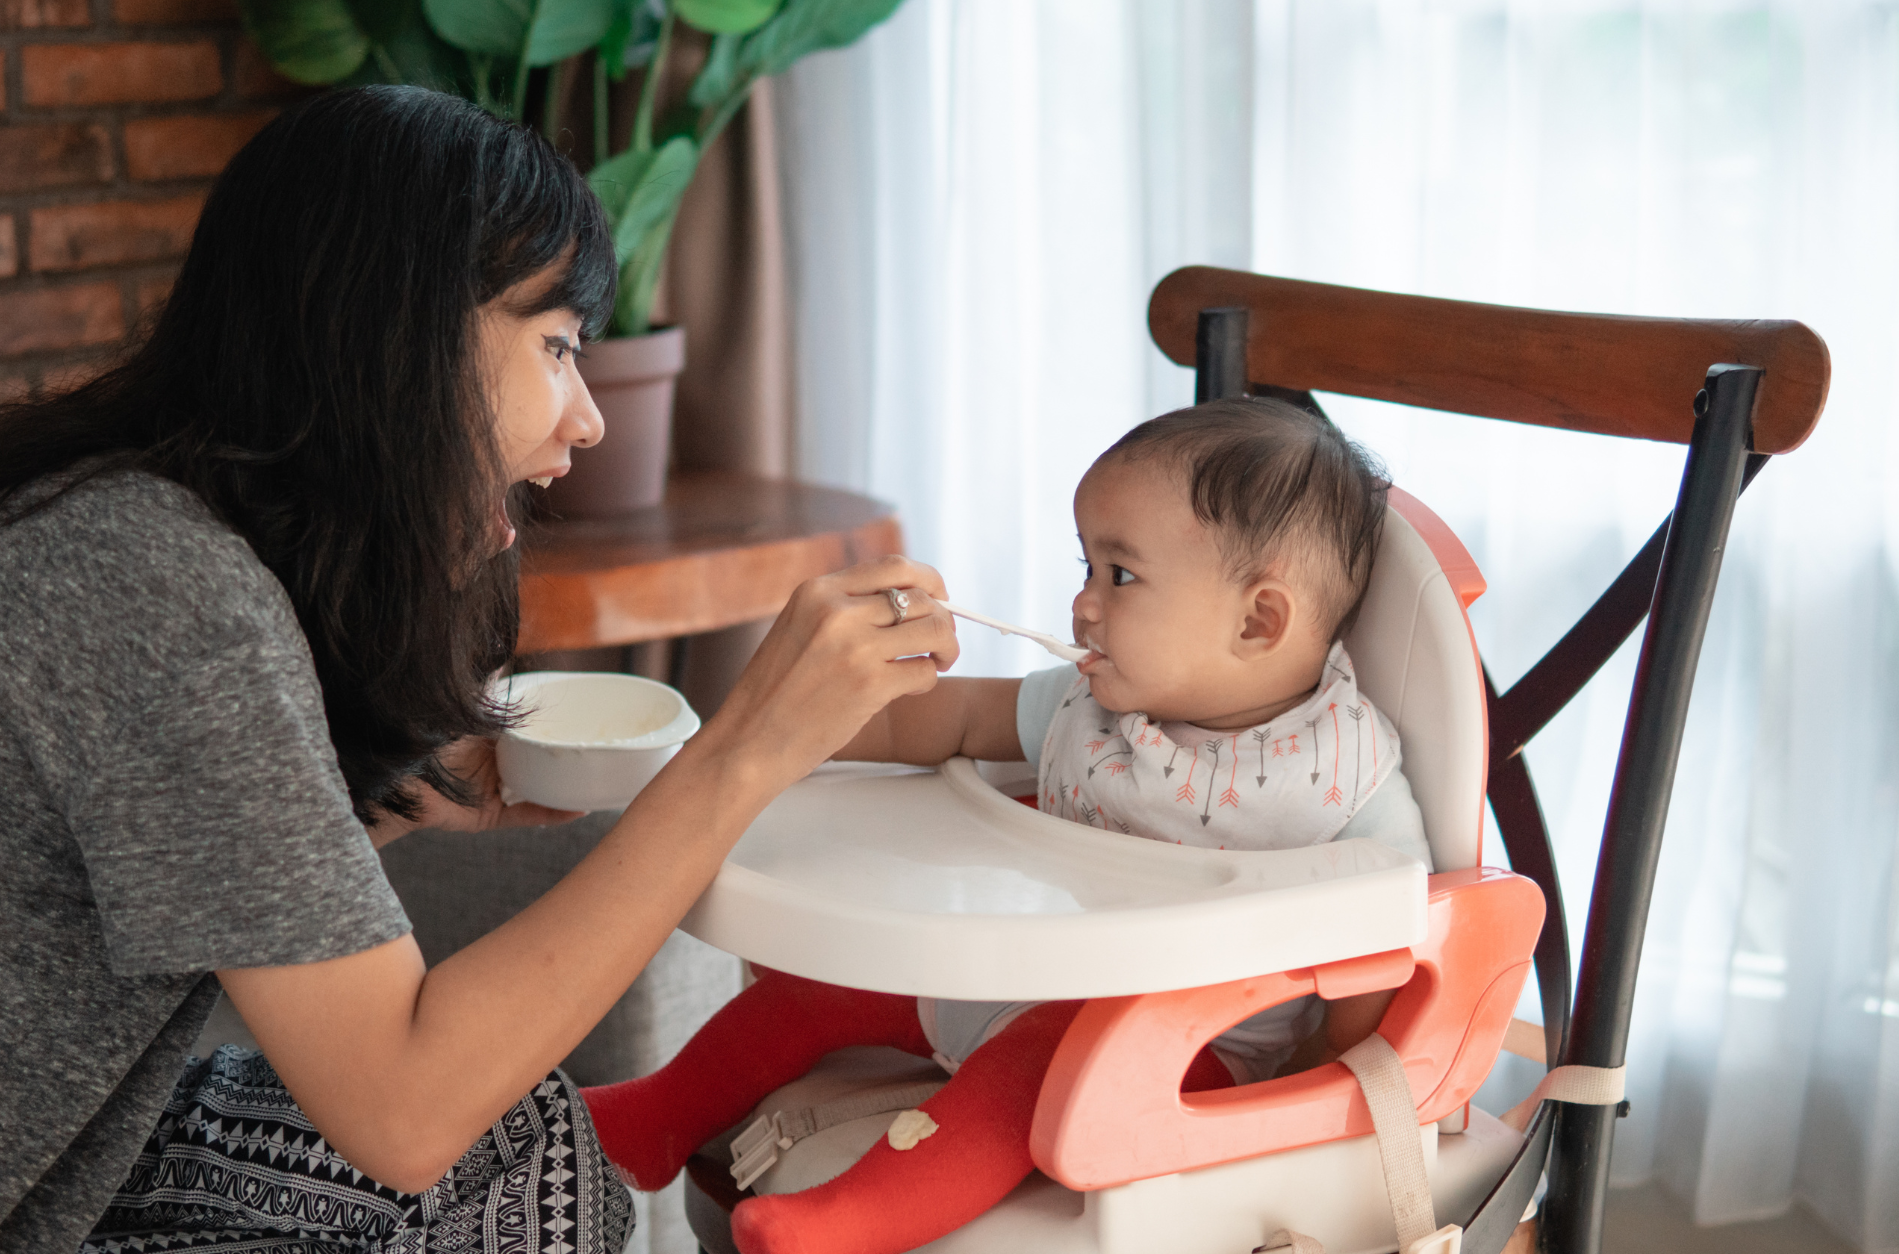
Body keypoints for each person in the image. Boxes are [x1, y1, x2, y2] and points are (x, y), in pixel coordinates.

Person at [0, 87, 959, 1254]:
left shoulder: (123, 530)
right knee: (502, 1183)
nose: (588, 422)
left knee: (533, 1151)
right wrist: (741, 749)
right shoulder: (156, 597)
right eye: (555, 346)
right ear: (398, 339)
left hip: (22, 1168)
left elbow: (118, 892)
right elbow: (403, 1111)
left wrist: (394, 790)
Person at [582, 398, 1437, 1254]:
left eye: (1120, 576)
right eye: (1088, 567)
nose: (1083, 605)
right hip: (1019, 965)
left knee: (1023, 1081)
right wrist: (780, 732)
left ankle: (849, 1221)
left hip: (1177, 1043)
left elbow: (1383, 933)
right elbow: (946, 722)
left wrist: (1323, 1062)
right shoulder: (1097, 709)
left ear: (1258, 621)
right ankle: (665, 1110)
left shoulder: (1337, 776)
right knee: (822, 990)